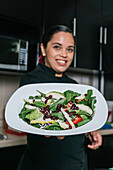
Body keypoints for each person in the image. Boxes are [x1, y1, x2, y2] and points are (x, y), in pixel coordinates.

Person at [17, 25, 102, 170]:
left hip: (76, 161)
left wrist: (89, 129)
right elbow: (38, 123)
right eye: (57, 47)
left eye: (69, 49)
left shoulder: (73, 85)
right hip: (44, 164)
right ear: (43, 49)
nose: (64, 54)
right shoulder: (31, 82)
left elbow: (74, 117)